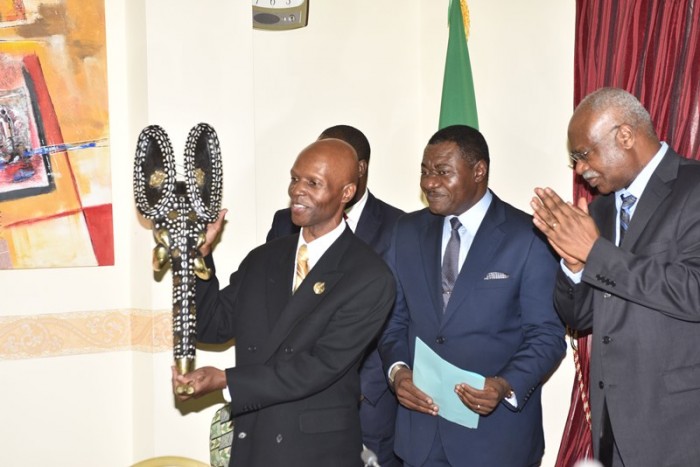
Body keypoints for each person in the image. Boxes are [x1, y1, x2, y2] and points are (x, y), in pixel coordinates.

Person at [172, 138, 396, 467]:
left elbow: (318, 368)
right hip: (253, 439)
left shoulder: (369, 275)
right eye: (294, 179)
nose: (296, 191)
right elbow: (212, 326)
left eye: (313, 183)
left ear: (346, 193)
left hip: (314, 450)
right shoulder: (264, 258)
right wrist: (199, 259)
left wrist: (226, 380)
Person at [531, 87, 700, 467]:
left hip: (681, 429)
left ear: (624, 135)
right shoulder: (601, 211)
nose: (578, 169)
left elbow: (694, 290)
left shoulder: (694, 188)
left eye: (582, 154)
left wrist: (595, 253)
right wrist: (574, 266)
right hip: (613, 428)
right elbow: (581, 319)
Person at [379, 124, 566, 466]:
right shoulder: (405, 232)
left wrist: (505, 385)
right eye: (424, 171)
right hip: (421, 438)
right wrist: (397, 372)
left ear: (479, 171)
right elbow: (392, 320)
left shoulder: (527, 237)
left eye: (442, 172)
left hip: (495, 441)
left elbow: (547, 336)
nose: (428, 182)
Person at [266, 124, 404, 466]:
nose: (302, 189)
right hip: (294, 405)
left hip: (368, 404)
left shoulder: (400, 226)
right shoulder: (285, 223)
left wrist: (367, 387)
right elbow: (274, 310)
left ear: (358, 170)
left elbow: (399, 317)